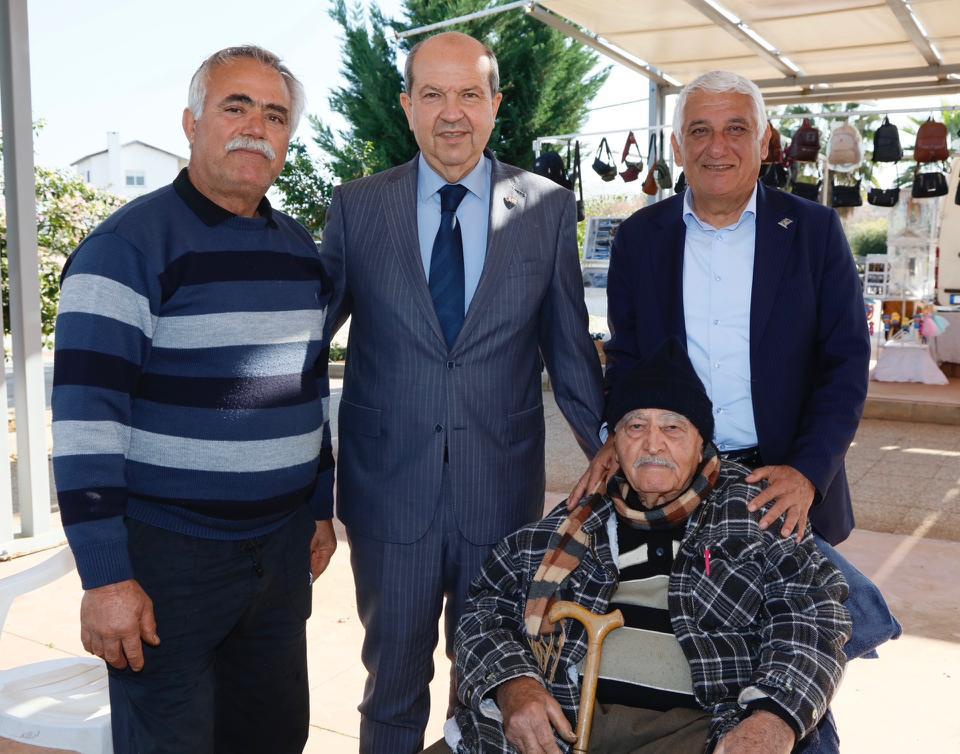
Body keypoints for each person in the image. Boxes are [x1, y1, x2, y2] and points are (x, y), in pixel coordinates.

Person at [321, 31, 604, 754]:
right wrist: (302, 485)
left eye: (470, 94)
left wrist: (609, 456)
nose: (453, 113)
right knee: (391, 686)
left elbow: (570, 351)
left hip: (499, 496)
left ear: (495, 104)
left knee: (488, 688)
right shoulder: (357, 207)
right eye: (434, 95)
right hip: (388, 494)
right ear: (407, 105)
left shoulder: (546, 207)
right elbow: (305, 351)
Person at [51, 45, 335, 753]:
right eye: (236, 107)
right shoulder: (127, 247)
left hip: (279, 555)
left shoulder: (299, 250)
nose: (256, 128)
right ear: (191, 122)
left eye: (275, 115)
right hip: (169, 562)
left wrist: (318, 506)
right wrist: (106, 578)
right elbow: (86, 423)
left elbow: (306, 389)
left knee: (273, 739)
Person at [570, 70, 898, 663]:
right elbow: (629, 359)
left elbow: (845, 365)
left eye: (736, 129)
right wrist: (618, 435)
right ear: (677, 146)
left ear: (765, 141)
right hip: (674, 481)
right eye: (699, 130)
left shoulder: (814, 232)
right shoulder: (641, 238)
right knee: (685, 656)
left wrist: (807, 473)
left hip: (780, 484)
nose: (716, 147)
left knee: (795, 657)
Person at [446, 340, 850, 754]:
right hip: (566, 724)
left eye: (672, 428)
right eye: (635, 426)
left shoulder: (754, 513)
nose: (653, 444)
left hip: (700, 732)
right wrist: (514, 685)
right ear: (615, 444)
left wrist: (773, 719)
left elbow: (814, 615)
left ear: (701, 443)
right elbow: (486, 607)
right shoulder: (578, 520)